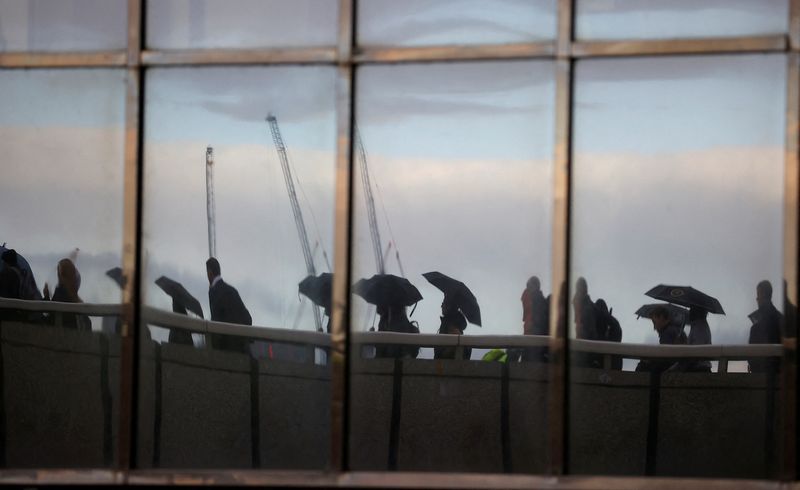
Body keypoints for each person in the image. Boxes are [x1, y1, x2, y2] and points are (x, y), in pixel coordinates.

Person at [206, 258, 252, 354]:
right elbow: (247, 318)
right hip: (241, 348)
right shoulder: (232, 290)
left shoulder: (214, 292)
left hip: (226, 350)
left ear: (210, 273)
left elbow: (216, 322)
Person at [43, 258, 91, 330]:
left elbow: (49, 318)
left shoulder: (59, 295)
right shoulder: (76, 301)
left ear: (60, 276)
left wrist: (46, 296)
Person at [748, 280, 782, 373]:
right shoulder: (781, 319)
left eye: (758, 294)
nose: (756, 298)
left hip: (761, 377)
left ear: (763, 295)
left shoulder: (756, 326)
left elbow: (751, 355)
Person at [635, 306, 682, 372]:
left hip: (671, 365)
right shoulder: (676, 330)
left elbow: (664, 355)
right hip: (678, 363)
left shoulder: (667, 332)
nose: (654, 327)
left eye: (654, 322)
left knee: (642, 365)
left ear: (661, 317)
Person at [573, 277, 601, 367]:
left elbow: (591, 332)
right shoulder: (582, 304)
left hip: (584, 351)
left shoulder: (587, 308)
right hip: (582, 347)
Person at [520, 276, 548, 362]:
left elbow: (540, 325)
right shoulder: (540, 301)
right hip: (531, 342)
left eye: (530, 286)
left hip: (534, 344)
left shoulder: (538, 301)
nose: (528, 289)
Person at [434, 295, 471, 360]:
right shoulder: (452, 322)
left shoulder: (451, 324)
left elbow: (441, 354)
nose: (441, 306)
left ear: (449, 306)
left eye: (443, 304)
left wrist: (457, 342)